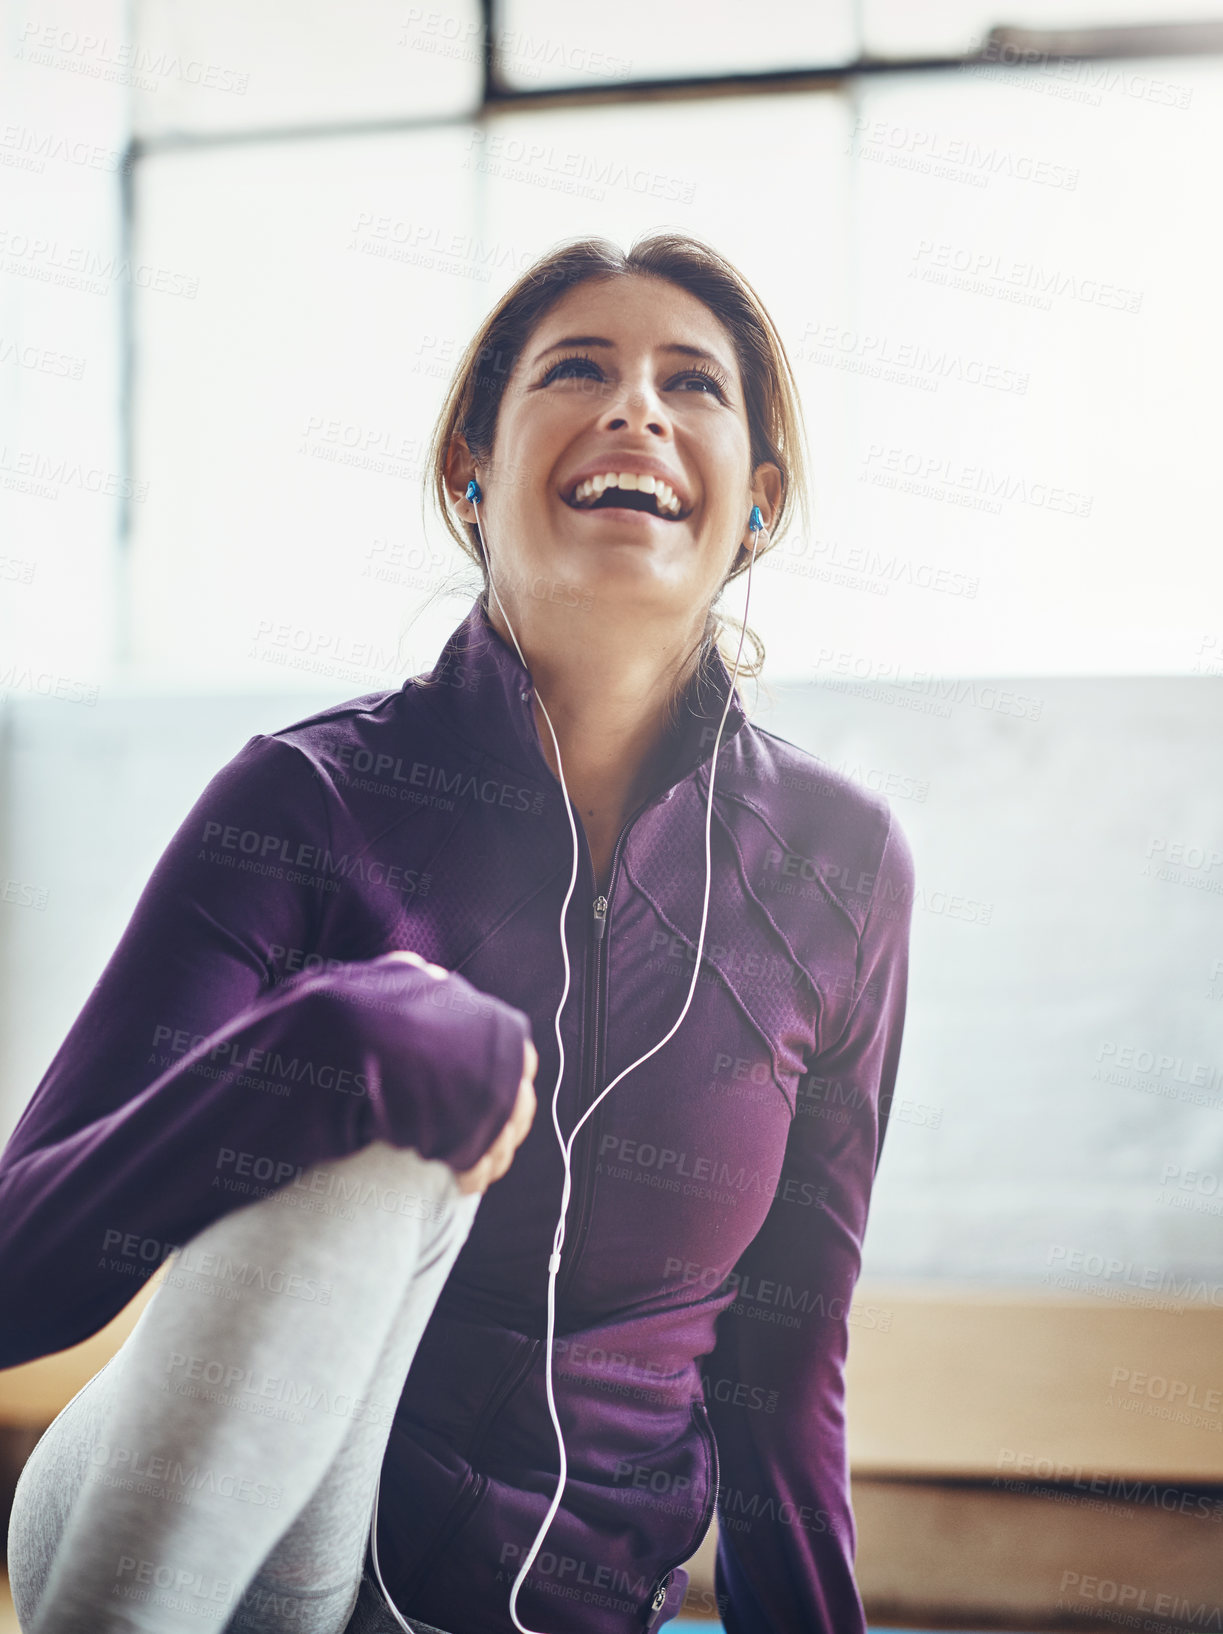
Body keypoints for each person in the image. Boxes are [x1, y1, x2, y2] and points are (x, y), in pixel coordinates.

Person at [2, 231, 915, 1634]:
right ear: (467, 473)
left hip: (585, 1608)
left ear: (758, 504)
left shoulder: (841, 867)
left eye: (693, 384)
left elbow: (787, 1376)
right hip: (240, 1572)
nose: (638, 410)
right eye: (579, 370)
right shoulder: (302, 799)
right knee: (380, 1119)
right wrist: (323, 1042)